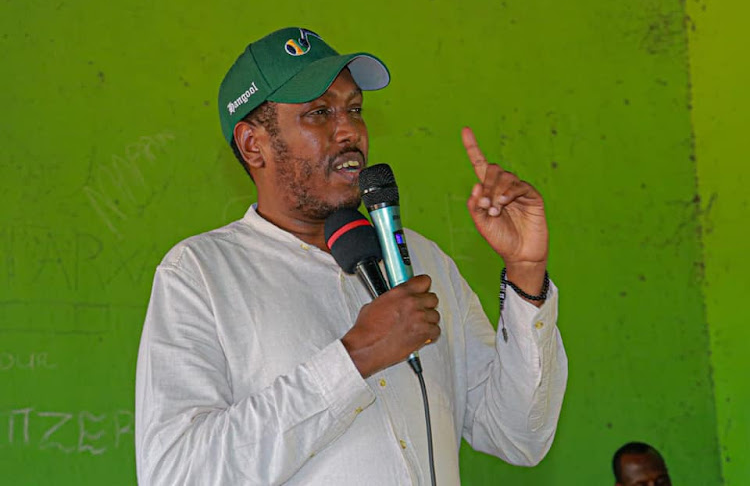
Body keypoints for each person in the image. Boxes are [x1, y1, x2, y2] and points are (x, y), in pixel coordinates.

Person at [135, 27, 567, 485]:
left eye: (355, 109)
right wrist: (353, 358)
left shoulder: (422, 259)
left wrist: (525, 273)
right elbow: (176, 474)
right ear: (252, 144)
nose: (350, 131)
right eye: (319, 113)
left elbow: (519, 434)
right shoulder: (200, 274)